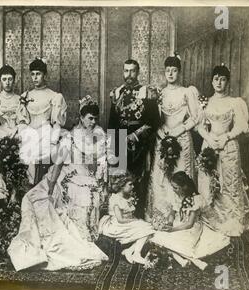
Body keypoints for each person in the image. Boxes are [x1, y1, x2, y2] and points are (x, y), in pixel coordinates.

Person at [8, 96, 108, 271]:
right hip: (65, 174)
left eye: (95, 118)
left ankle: (69, 239)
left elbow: (98, 163)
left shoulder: (99, 135)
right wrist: (52, 185)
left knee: (77, 193)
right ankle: (37, 243)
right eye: (90, 118)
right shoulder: (70, 137)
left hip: (86, 176)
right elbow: (59, 163)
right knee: (34, 198)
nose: (93, 122)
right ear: (81, 118)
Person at [197, 64, 249, 237]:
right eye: (216, 79)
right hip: (210, 145)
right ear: (212, 81)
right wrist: (208, 137)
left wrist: (226, 137)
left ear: (227, 82)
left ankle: (231, 220)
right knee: (209, 182)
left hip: (228, 147)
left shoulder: (234, 102)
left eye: (222, 79)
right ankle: (211, 217)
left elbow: (243, 126)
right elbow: (199, 126)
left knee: (229, 184)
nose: (219, 83)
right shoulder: (206, 102)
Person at [146, 53, 201, 221]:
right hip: (162, 138)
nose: (170, 74)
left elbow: (195, 117)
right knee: (160, 176)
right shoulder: (159, 93)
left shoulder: (187, 92)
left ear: (179, 72)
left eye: (174, 70)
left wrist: (180, 130)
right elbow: (155, 119)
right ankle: (161, 215)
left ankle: (181, 217)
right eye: (168, 70)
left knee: (180, 175)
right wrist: (160, 131)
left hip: (182, 138)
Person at [108, 59, 161, 218]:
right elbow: (112, 123)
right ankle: (121, 217)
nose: (128, 75)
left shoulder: (147, 92)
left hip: (140, 144)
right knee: (121, 180)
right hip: (120, 142)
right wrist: (113, 147)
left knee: (138, 182)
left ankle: (137, 215)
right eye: (126, 71)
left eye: (132, 71)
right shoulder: (116, 93)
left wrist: (136, 135)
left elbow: (154, 122)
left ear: (138, 72)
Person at [150, 171, 230, 270]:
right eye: (172, 187)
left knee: (176, 243)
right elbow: (172, 212)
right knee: (157, 237)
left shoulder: (196, 199)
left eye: (175, 187)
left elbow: (189, 224)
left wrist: (173, 230)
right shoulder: (176, 196)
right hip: (178, 224)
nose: (173, 190)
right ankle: (183, 260)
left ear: (184, 187)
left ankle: (191, 259)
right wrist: (170, 223)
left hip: (191, 227)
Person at [17, 57, 67, 185]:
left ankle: (42, 185)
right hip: (30, 131)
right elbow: (23, 121)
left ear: (44, 75)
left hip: (45, 131)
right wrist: (22, 134)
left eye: (38, 74)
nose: (35, 77)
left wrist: (53, 140)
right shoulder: (26, 96)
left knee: (47, 149)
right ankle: (28, 185)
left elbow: (56, 122)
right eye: (32, 74)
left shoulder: (54, 96)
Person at [98, 174, 155, 264]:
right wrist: (136, 221)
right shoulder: (116, 199)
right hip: (117, 225)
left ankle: (131, 251)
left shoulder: (128, 197)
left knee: (150, 230)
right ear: (121, 186)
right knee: (148, 229)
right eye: (130, 184)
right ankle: (136, 253)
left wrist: (137, 221)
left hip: (127, 222)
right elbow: (120, 219)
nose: (133, 187)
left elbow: (129, 214)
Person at [0, 65, 27, 139]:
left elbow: (23, 121)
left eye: (10, 79)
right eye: (4, 79)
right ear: (0, 80)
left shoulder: (20, 99)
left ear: (14, 80)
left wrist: (16, 130)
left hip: (17, 132)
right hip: (0, 134)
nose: (7, 82)